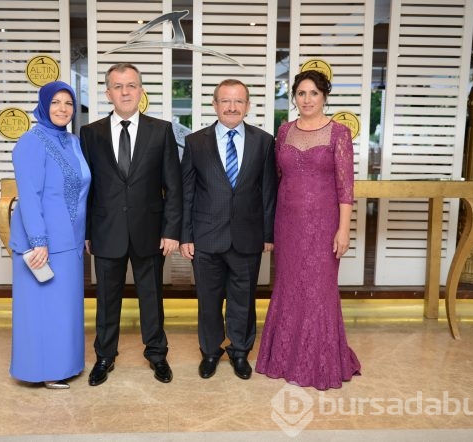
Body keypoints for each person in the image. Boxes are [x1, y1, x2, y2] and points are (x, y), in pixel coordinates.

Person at [255, 69, 361, 390]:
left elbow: (346, 188)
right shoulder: (284, 131)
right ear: (294, 98)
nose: (307, 99)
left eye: (313, 93)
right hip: (287, 223)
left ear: (324, 96)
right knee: (289, 285)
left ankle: (321, 361)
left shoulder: (338, 133)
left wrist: (343, 230)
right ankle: (284, 357)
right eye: (301, 93)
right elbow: (276, 180)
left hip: (324, 224)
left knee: (319, 288)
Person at [80, 63, 182, 386]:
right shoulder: (91, 133)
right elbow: (86, 188)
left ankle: (157, 354)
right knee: (106, 299)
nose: (125, 92)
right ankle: (105, 356)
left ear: (141, 90)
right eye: (118, 86)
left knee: (151, 296)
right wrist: (86, 233)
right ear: (108, 93)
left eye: (131, 85)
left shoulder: (161, 130)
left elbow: (174, 186)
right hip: (106, 230)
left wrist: (171, 230)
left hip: (149, 231)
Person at [180, 79, 277, 380]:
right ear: (215, 104)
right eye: (226, 101)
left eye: (238, 101)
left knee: (243, 299)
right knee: (208, 301)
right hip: (206, 237)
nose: (232, 107)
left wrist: (268, 235)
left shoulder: (264, 141)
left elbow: (268, 192)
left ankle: (239, 351)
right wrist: (185, 235)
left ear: (248, 106)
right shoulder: (196, 142)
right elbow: (187, 193)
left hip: (248, 236)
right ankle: (210, 351)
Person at [9, 81, 90, 389]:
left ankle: (64, 365)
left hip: (69, 242)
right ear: (44, 105)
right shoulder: (31, 142)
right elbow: (29, 196)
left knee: (64, 309)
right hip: (42, 243)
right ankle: (41, 370)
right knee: (42, 310)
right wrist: (39, 240)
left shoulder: (71, 141)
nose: (62, 109)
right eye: (55, 102)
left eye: (68, 103)